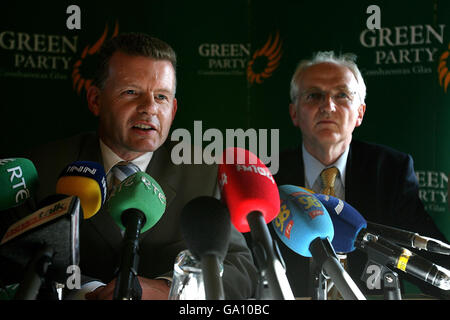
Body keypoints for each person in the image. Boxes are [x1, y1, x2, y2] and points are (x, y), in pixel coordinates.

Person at [23, 33, 258, 300]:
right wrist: (87, 292)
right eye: (131, 92)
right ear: (95, 100)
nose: (149, 108)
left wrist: (170, 290)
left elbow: (240, 268)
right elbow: (14, 260)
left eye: (161, 97)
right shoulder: (43, 167)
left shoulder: (204, 173)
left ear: (173, 109)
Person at [271, 51, 450, 299]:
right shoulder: (268, 175)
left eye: (342, 95)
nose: (328, 106)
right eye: (314, 95)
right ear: (294, 112)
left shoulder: (390, 171)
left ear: (360, 113)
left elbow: (432, 267)